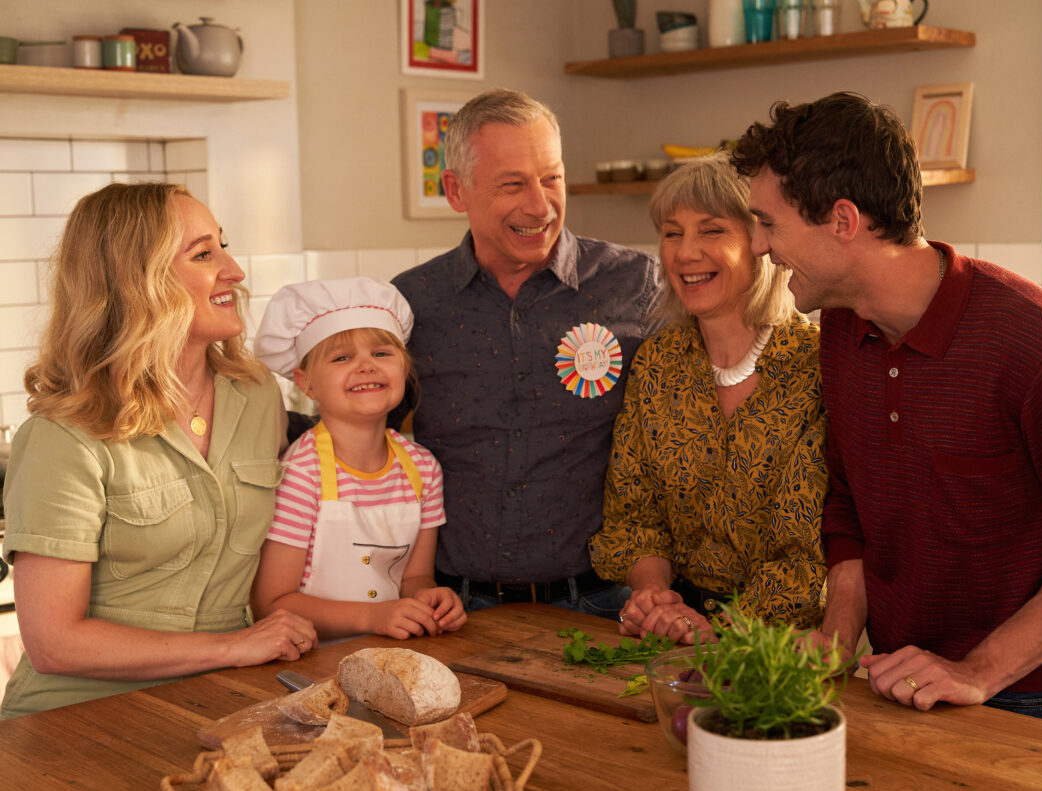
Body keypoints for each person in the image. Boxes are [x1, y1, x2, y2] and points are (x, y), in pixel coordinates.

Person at [729, 92, 1042, 728]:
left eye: (769, 223)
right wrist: (838, 633)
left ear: (843, 221)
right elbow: (849, 498)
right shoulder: (841, 330)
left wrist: (978, 671)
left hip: (1029, 703)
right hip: (894, 680)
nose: (761, 245)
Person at [0, 183, 317, 719]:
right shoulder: (65, 434)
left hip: (221, 700)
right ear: (136, 282)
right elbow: (55, 642)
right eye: (203, 253)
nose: (234, 270)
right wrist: (234, 647)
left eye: (223, 245)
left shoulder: (258, 394)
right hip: (76, 717)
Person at [388, 88, 659, 617]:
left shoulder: (634, 285)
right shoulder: (411, 302)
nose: (540, 206)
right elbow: (362, 438)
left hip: (605, 604)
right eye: (512, 184)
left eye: (552, 178)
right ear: (455, 190)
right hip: (455, 607)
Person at [589, 155, 828, 645]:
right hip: (677, 636)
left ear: (761, 243)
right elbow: (634, 518)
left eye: (712, 231)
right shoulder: (658, 363)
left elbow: (809, 554)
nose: (685, 253)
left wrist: (718, 633)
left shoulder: (816, 367)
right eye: (672, 233)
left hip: (785, 649)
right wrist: (655, 597)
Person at [251, 278, 466, 640]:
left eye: (382, 354)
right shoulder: (302, 473)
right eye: (342, 357)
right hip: (310, 660)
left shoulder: (423, 469)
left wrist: (430, 598)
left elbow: (413, 578)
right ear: (306, 383)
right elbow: (271, 604)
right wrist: (372, 617)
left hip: (390, 655)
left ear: (405, 368)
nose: (366, 366)